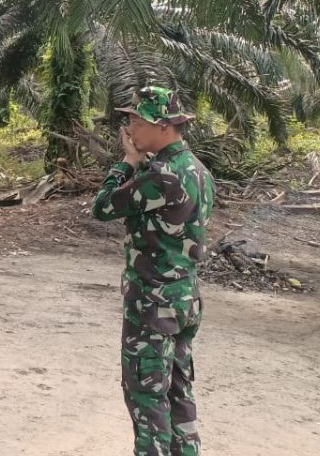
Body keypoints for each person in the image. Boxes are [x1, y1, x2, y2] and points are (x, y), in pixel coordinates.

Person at [93, 87, 214, 456]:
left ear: (162, 126)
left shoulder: (161, 176)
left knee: (147, 399)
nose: (129, 130)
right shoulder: (197, 169)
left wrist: (127, 162)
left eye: (135, 122)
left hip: (152, 304)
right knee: (178, 392)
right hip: (184, 299)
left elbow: (103, 207)